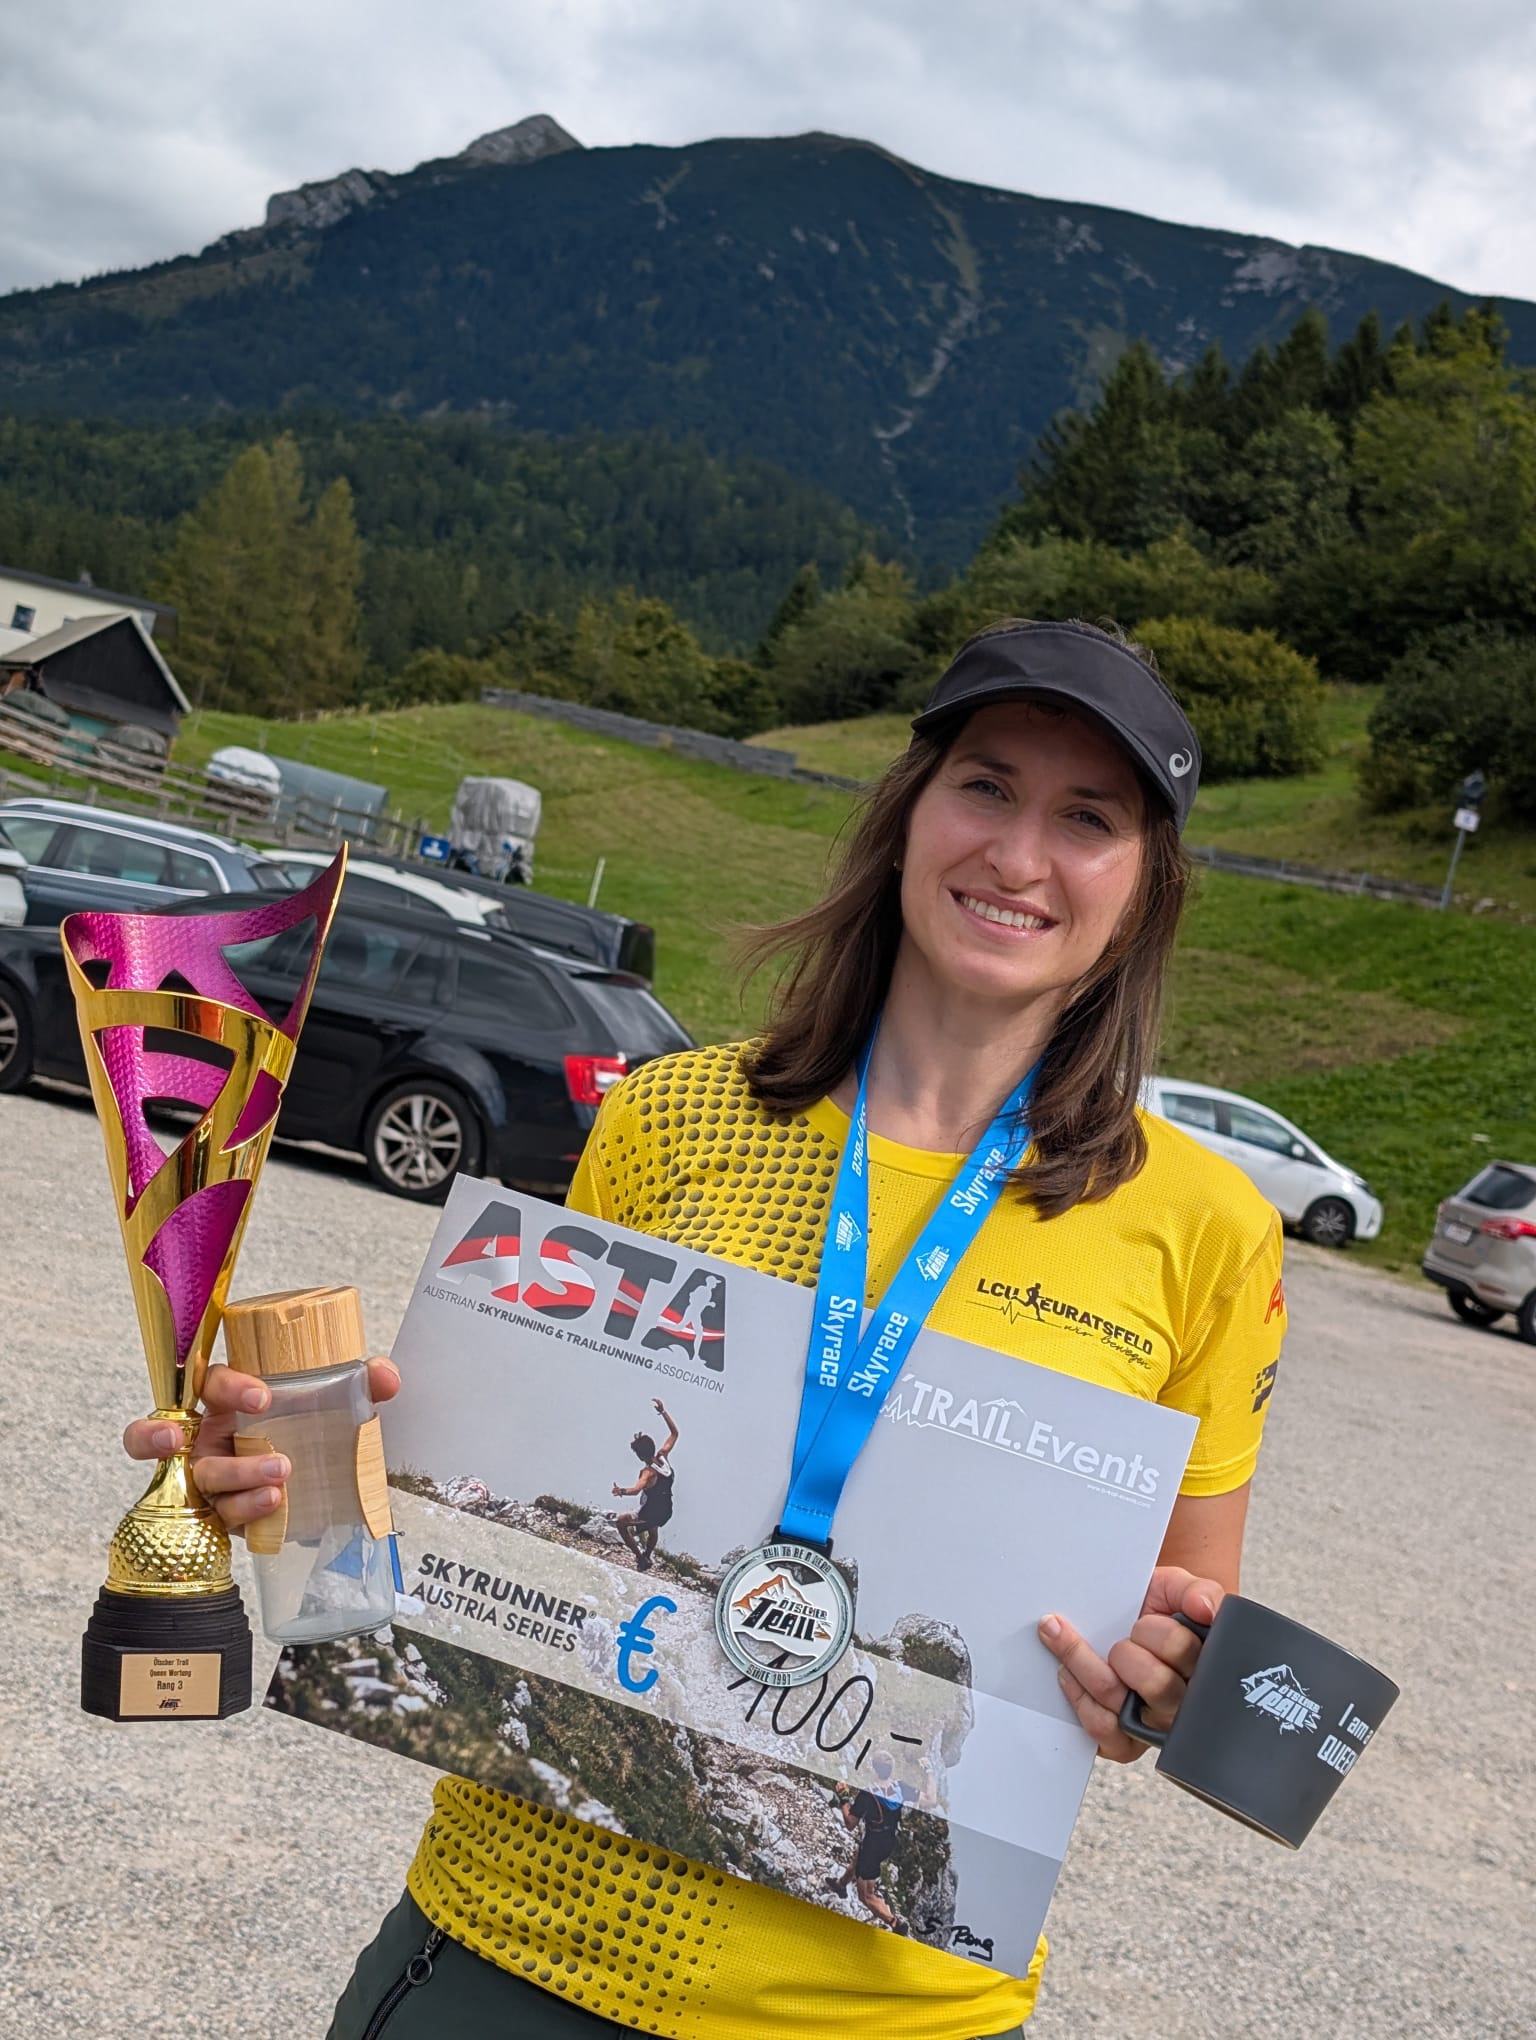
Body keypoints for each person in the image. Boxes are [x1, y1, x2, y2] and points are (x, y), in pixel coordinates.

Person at [128, 618, 1288, 2039]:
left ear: (1144, 888)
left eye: (1088, 819)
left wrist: (1159, 1691)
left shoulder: (1209, 1229)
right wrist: (299, 1475)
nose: (1018, 854)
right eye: (985, 786)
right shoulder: (674, 1116)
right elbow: (497, 1503)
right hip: (520, 1946)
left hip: (888, 2013)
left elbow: (1186, 1639)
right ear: (910, 812)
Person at [610, 1396, 678, 1571]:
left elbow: (636, 1489)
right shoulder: (663, 1457)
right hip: (666, 1511)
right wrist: (663, 1412)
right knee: (653, 1529)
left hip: (649, 1513)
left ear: (640, 1456)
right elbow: (674, 1433)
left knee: (621, 1522)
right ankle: (647, 1555)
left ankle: (640, 1558)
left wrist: (620, 1491)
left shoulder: (647, 1472)